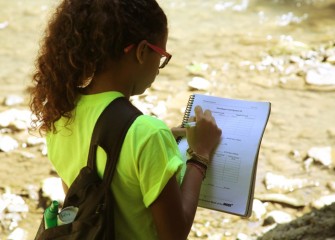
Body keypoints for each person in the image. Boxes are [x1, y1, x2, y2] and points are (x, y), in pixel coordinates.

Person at [29, 0, 222, 239]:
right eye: (162, 56)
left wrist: (161, 140)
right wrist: (200, 155)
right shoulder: (148, 134)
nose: (160, 68)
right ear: (142, 52)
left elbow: (80, 199)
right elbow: (174, 234)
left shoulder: (60, 115)